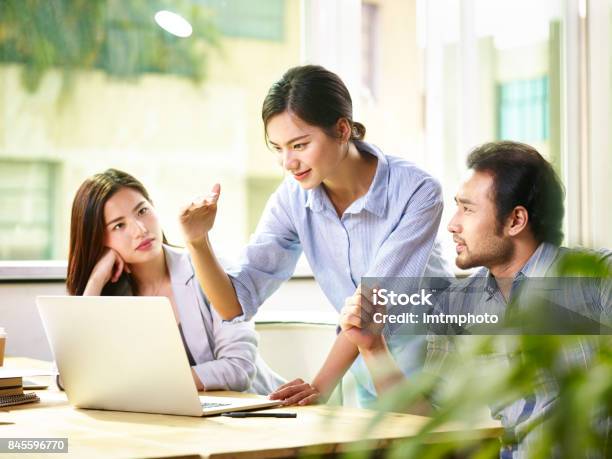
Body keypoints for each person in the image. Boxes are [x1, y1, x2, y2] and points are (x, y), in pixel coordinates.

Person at [179, 65, 451, 406]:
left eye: (299, 144)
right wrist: (198, 242)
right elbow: (234, 304)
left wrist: (321, 385)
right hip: (363, 367)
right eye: (277, 148)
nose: (288, 162)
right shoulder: (293, 198)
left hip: (428, 361)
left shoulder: (417, 190)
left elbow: (372, 305)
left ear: (342, 129)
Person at [339, 141, 611, 457]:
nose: (453, 224)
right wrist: (373, 347)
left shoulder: (596, 279)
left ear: (515, 221)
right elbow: (429, 425)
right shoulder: (457, 306)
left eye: (468, 209)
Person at [66, 169, 284, 395]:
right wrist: (95, 280)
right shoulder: (109, 294)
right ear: (99, 239)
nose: (140, 230)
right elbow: (70, 374)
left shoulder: (212, 271)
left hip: (252, 413)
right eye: (118, 225)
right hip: (167, 421)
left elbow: (238, 370)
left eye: (142, 211)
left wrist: (140, 384)